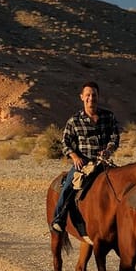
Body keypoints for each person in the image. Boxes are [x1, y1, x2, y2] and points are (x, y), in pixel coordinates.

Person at [51, 81, 120, 233]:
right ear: (82, 97)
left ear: (98, 97)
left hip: (103, 162)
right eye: (87, 95)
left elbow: (115, 138)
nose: (91, 98)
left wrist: (108, 150)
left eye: (94, 95)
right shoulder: (74, 120)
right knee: (69, 186)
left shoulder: (109, 116)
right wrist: (74, 157)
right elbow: (65, 142)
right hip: (83, 164)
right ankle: (59, 218)